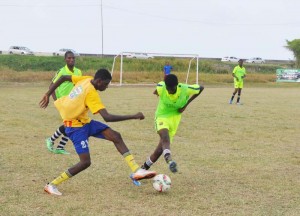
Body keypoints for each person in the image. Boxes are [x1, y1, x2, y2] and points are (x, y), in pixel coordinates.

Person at [39, 69, 157, 195]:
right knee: (85, 162)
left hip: (85, 122)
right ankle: (52, 185)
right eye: (106, 84)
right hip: (74, 127)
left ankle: (136, 170)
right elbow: (108, 117)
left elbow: (63, 78)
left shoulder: (86, 79)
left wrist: (48, 93)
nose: (106, 87)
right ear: (99, 81)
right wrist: (134, 116)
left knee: (116, 136)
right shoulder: (91, 93)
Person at [140, 74, 204, 173]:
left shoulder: (185, 89)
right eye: (167, 88)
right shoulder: (162, 87)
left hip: (174, 119)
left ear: (177, 85)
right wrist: (157, 91)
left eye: (171, 89)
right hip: (161, 116)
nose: (169, 91)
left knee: (159, 150)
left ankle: (142, 170)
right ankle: (169, 161)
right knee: (165, 137)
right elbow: (159, 87)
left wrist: (186, 104)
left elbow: (201, 88)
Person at [46, 51, 82, 154]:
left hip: (74, 102)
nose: (71, 60)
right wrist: (56, 100)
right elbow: (51, 86)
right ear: (65, 59)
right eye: (69, 58)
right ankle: (52, 140)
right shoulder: (61, 71)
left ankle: (59, 146)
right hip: (63, 102)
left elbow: (79, 86)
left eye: (73, 58)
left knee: (71, 124)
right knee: (69, 124)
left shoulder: (78, 72)